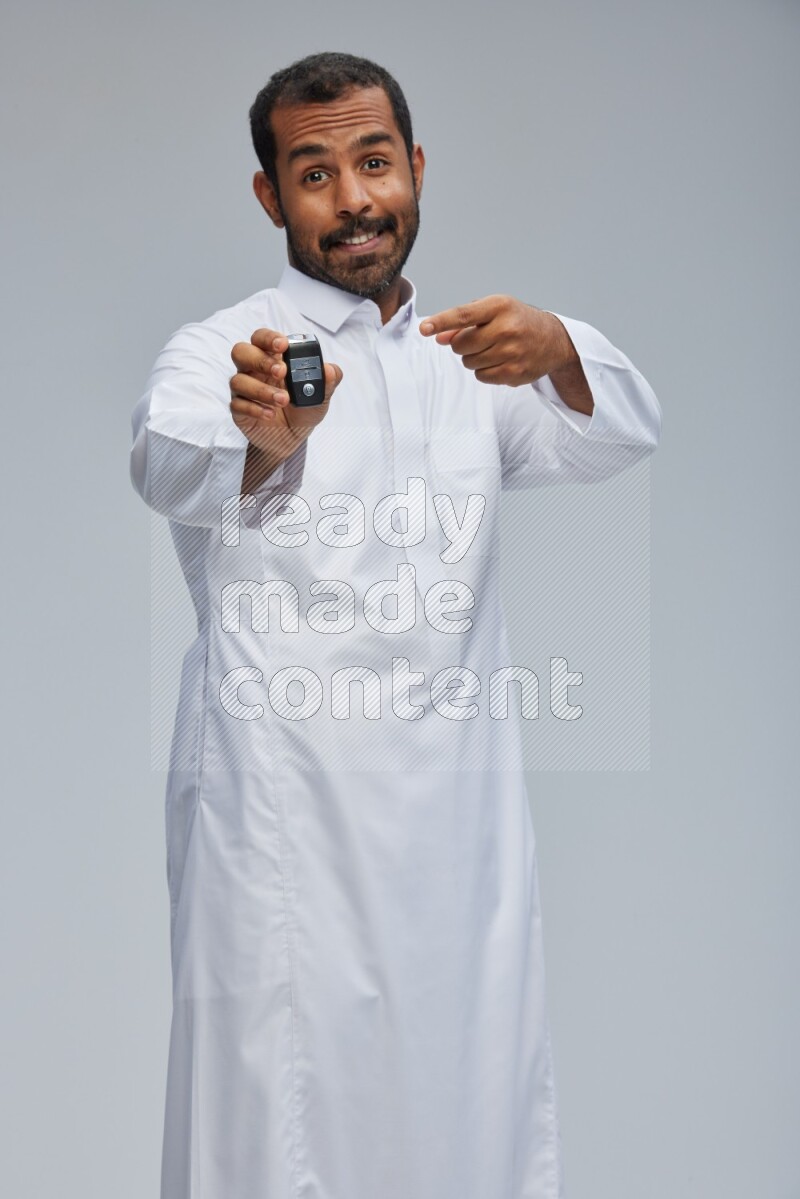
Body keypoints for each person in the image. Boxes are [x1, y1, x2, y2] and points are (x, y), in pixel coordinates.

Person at [130, 50, 661, 1199]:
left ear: (414, 169)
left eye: (372, 162)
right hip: (283, 826)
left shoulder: (465, 359)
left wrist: (560, 345)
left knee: (465, 1112)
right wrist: (266, 437)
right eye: (313, 172)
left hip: (451, 838)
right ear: (271, 196)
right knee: (272, 1124)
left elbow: (616, 433)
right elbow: (164, 463)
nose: (353, 199)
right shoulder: (232, 350)